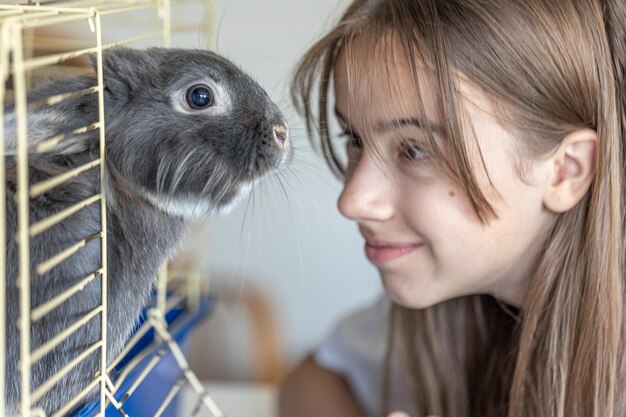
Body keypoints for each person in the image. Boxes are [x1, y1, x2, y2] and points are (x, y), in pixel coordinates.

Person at [279, 0, 626, 417]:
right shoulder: (448, 312)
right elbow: (311, 380)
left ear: (564, 172)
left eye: (414, 149)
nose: (352, 201)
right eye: (355, 139)